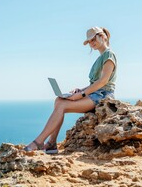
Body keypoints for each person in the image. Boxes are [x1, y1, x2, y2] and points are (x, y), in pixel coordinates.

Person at [24, 26, 117, 154]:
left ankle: (39, 142)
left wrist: (82, 94)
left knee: (62, 106)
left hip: (103, 97)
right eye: (89, 42)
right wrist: (80, 90)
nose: (91, 43)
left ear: (102, 36)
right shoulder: (100, 57)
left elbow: (103, 81)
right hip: (95, 94)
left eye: (93, 39)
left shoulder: (109, 55)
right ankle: (51, 143)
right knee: (59, 100)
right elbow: (95, 83)